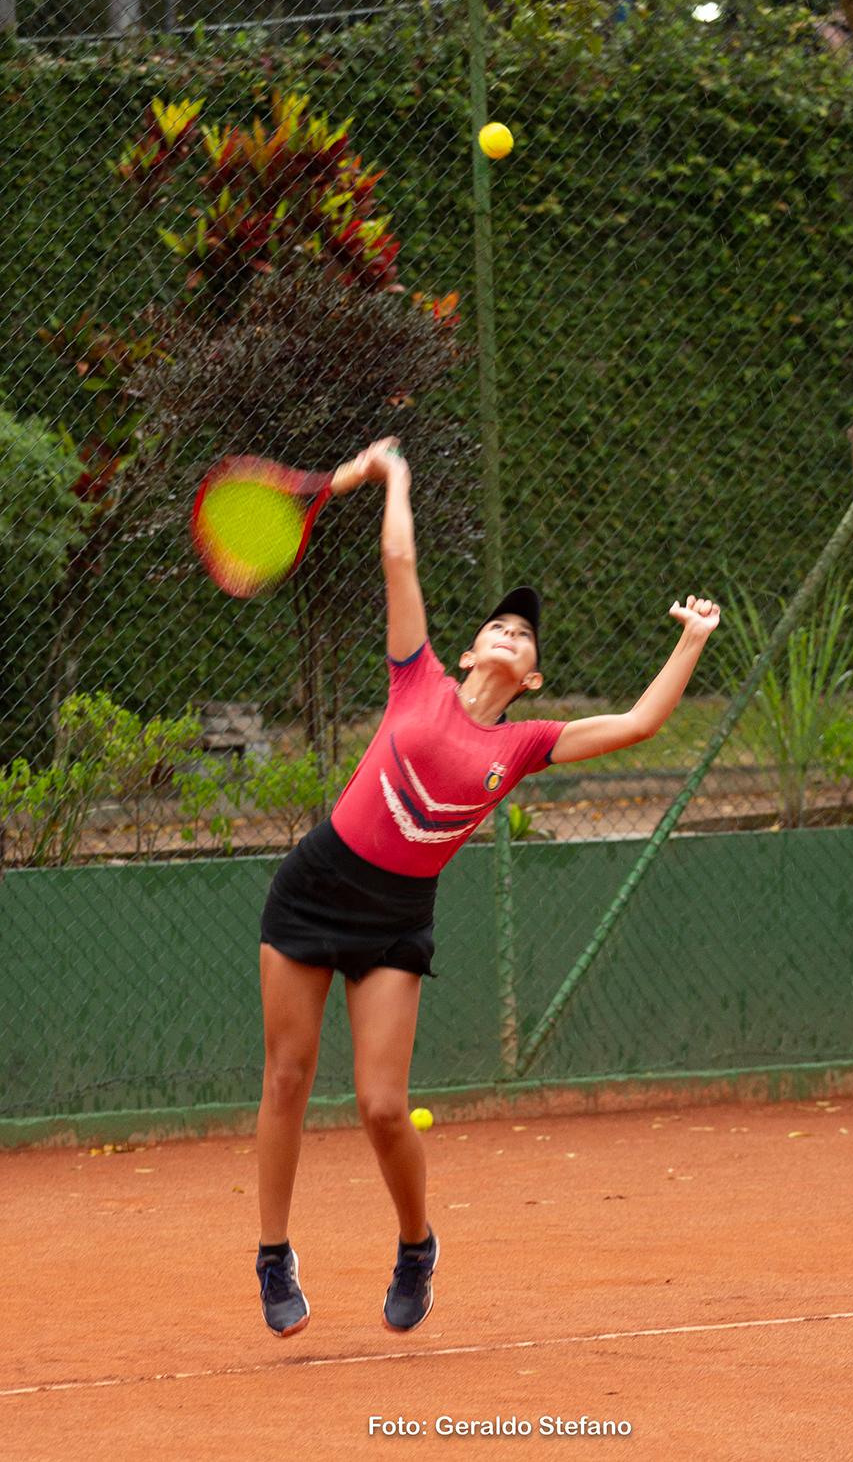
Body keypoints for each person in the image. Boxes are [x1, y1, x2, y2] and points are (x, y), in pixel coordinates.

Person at [254, 436, 720, 1339]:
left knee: (383, 1107)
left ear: (531, 677)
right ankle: (273, 1256)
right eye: (498, 627)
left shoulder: (525, 745)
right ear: (470, 652)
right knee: (286, 1077)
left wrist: (692, 640)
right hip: (313, 890)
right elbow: (399, 558)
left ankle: (416, 1246)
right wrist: (394, 476)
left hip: (396, 918)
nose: (510, 632)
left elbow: (638, 723)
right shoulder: (415, 678)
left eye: (525, 636)